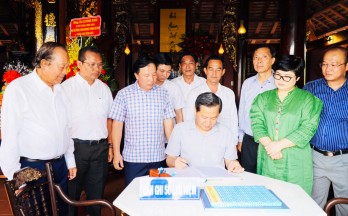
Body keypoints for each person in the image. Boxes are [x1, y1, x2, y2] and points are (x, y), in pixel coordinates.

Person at [0, 42, 76, 215]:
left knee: (62, 211)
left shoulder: (60, 91)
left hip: (60, 166)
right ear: (44, 64)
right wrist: (15, 177)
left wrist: (69, 159)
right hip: (31, 169)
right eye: (62, 67)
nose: (65, 72)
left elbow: (67, 128)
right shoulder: (19, 89)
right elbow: (10, 136)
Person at [250, 55, 323, 195]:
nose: (281, 80)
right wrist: (270, 145)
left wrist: (278, 145)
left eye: (287, 77)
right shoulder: (263, 98)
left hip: (295, 157)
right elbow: (257, 123)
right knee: (268, 197)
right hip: (268, 155)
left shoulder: (308, 99)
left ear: (297, 78)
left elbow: (308, 128)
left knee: (295, 198)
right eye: (278, 75)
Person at [62, 46, 113, 216]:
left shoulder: (104, 89)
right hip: (76, 149)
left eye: (99, 65)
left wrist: (110, 146)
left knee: (96, 194)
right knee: (71, 194)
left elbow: (109, 120)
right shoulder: (66, 88)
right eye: (91, 64)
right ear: (79, 64)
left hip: (100, 149)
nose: (96, 69)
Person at [109, 55, 175, 186]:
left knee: (157, 194)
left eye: (154, 75)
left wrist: (172, 153)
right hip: (134, 159)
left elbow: (168, 124)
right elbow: (117, 125)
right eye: (146, 75)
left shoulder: (163, 94)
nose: (151, 79)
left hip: (158, 157)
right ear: (136, 75)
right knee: (133, 196)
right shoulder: (124, 94)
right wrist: (116, 153)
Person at [303, 46, 348, 215]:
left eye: (334, 64)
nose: (328, 68)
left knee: (345, 205)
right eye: (324, 64)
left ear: (346, 66)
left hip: (344, 159)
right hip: (314, 157)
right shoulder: (311, 88)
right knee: (313, 203)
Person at [166, 92, 244, 173]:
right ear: (196, 110)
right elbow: (169, 159)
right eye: (204, 117)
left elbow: (230, 161)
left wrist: (234, 165)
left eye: (213, 118)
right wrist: (174, 162)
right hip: (189, 179)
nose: (208, 123)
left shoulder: (226, 133)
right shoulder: (180, 130)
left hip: (216, 180)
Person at [238, 45, 277, 173]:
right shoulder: (247, 83)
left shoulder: (280, 82)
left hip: (272, 141)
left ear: (272, 60)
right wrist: (240, 138)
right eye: (256, 57)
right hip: (249, 140)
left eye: (264, 57)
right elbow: (242, 112)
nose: (259, 60)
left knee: (270, 178)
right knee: (248, 178)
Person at [184, 54, 238, 139]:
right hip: (201, 139)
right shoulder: (194, 93)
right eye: (211, 69)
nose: (214, 73)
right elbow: (188, 120)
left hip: (223, 140)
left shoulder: (229, 93)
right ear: (205, 70)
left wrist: (234, 141)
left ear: (223, 72)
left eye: (218, 70)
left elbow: (233, 120)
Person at [154, 53, 185, 123]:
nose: (165, 75)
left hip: (170, 131)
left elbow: (179, 114)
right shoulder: (147, 86)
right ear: (154, 68)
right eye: (162, 71)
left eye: (168, 72)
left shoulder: (174, 88)